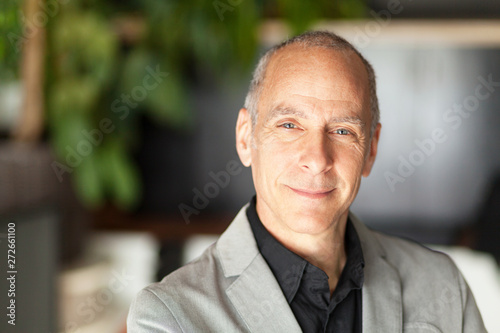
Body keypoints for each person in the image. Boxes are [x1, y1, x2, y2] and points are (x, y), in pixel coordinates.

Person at [127, 31, 486, 332]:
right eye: (289, 125)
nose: (317, 158)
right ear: (245, 138)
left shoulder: (442, 286)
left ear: (371, 150)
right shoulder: (170, 317)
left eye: (343, 130)